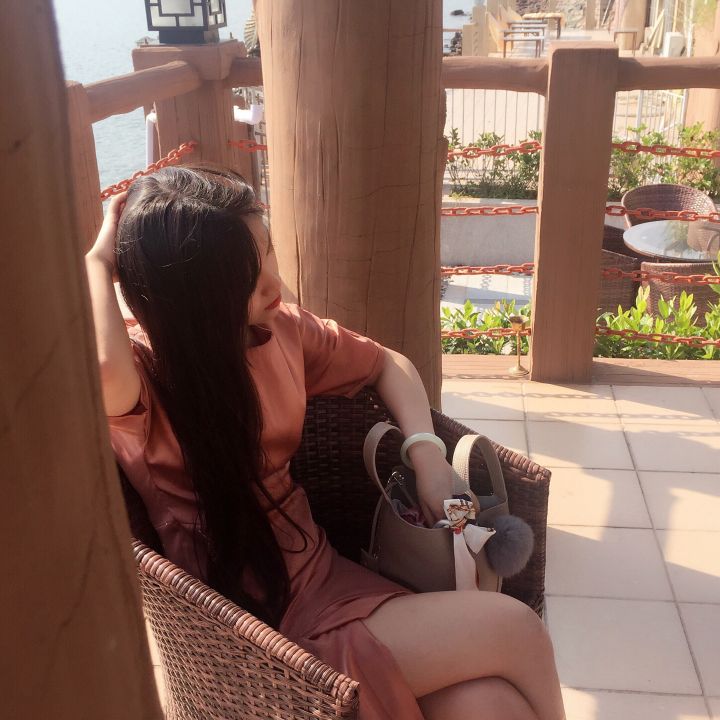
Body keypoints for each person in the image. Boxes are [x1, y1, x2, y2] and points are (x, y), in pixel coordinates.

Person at [86, 164, 565, 720]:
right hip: (248, 634)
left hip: (324, 577)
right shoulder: (144, 382)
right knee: (517, 628)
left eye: (267, 253)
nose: (274, 283)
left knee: (491, 705)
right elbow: (101, 367)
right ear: (196, 297)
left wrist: (427, 454)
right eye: (247, 276)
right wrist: (97, 260)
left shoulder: (277, 332)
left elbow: (387, 363)